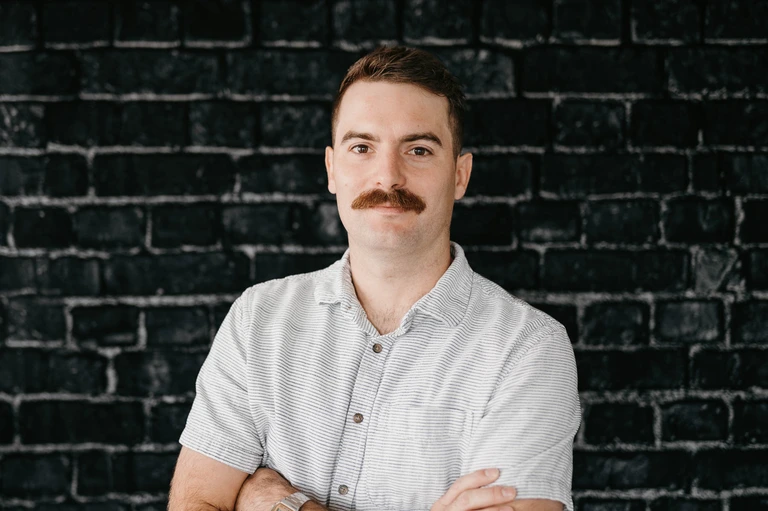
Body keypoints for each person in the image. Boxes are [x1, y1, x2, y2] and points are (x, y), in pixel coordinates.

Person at [168, 45, 580, 511]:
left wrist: (283, 505)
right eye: (362, 147)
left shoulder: (528, 348)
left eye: (419, 149)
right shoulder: (258, 319)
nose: (388, 176)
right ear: (331, 169)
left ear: (460, 175)